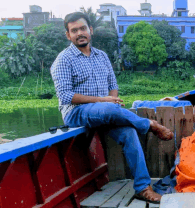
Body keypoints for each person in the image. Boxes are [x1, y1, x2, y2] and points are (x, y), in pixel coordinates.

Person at [50, 12, 174, 204]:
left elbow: (113, 86)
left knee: (129, 133)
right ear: (68, 35)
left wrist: (111, 102)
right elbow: (66, 96)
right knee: (108, 109)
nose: (79, 33)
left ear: (90, 30)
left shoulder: (102, 56)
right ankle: (149, 125)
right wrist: (103, 102)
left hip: (104, 112)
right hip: (76, 113)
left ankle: (143, 187)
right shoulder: (63, 60)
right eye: (74, 30)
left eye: (83, 28)